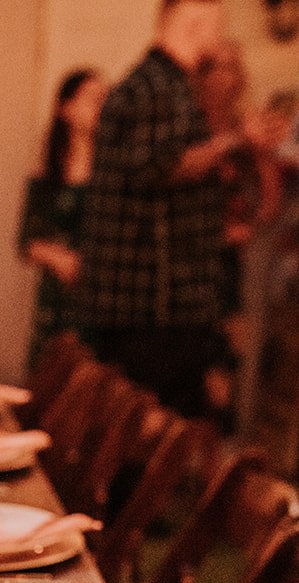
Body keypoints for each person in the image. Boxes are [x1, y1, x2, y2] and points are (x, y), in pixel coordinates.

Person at [78, 0, 269, 419]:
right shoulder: (158, 87)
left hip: (155, 305)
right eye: (217, 26)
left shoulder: (160, 84)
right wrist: (233, 141)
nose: (220, 40)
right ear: (196, 24)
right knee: (148, 435)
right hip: (152, 306)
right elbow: (159, 165)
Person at [195, 40, 283, 425]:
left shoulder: (244, 126)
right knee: (192, 370)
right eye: (218, 66)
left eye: (234, 67)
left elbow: (267, 207)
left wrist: (264, 153)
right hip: (189, 265)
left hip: (230, 268)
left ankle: (221, 466)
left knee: (231, 365)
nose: (227, 77)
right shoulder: (191, 127)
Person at [19, 70, 107, 368]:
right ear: (66, 108)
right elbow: (25, 241)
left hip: (99, 297)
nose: (102, 107)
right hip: (56, 299)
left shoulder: (111, 173)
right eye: (94, 99)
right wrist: (58, 258)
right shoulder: (47, 175)